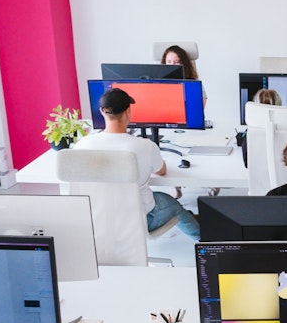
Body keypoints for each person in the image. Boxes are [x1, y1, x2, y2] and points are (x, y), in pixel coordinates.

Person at [72, 86, 200, 240]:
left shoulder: (82, 145)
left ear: (101, 111)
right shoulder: (144, 146)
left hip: (98, 221)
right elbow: (162, 171)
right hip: (140, 220)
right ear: (128, 112)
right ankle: (204, 241)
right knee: (173, 204)